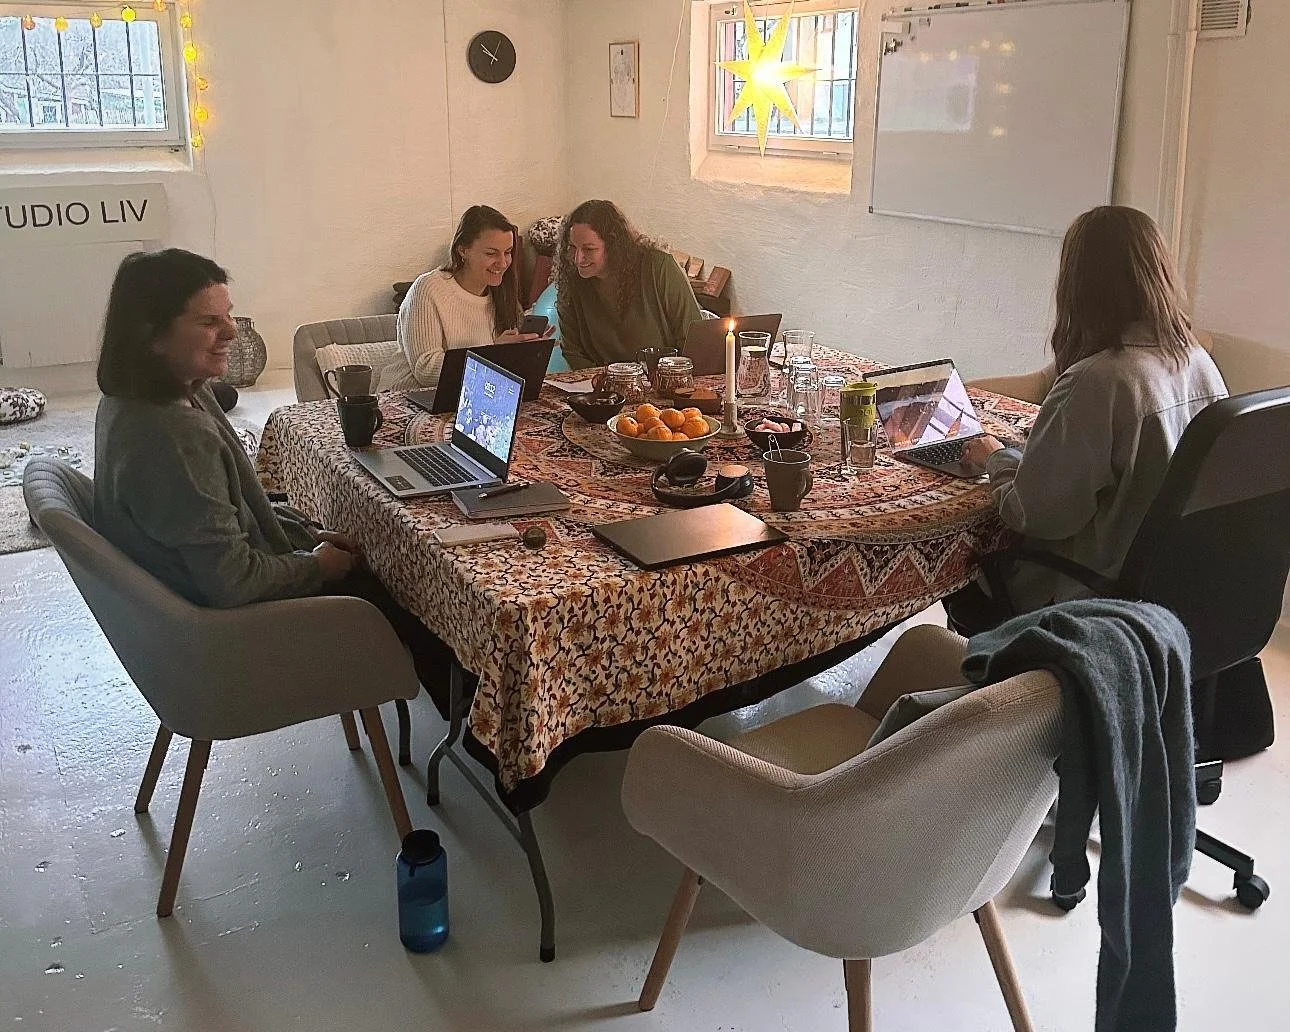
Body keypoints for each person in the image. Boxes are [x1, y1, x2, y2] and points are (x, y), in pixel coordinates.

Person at [93, 249, 449, 689]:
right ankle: (480, 732)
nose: (230, 332)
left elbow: (235, 510)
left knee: (387, 551)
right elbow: (232, 582)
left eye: (228, 315)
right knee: (422, 593)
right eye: (208, 323)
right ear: (151, 334)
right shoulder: (174, 440)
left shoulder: (156, 393)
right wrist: (316, 566)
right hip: (238, 636)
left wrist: (311, 535)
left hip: (211, 607)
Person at [946, 205, 1228, 635]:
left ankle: (994, 689)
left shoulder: (1101, 380)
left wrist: (996, 458)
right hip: (1170, 588)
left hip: (1087, 593)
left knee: (959, 563)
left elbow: (1037, 515)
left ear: (1080, 283)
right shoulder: (1196, 360)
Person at [379, 205, 545, 392]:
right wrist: (494, 353)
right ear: (463, 250)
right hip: (407, 398)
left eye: (507, 252)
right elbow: (426, 371)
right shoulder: (428, 288)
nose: (503, 262)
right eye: (491, 253)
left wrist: (531, 352)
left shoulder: (502, 294)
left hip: (466, 396)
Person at [554, 200, 702, 369]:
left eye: (589, 249)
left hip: (663, 379)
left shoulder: (659, 268)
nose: (577, 259)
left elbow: (694, 339)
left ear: (612, 245)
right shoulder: (571, 280)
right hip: (603, 387)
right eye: (572, 248)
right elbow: (573, 352)